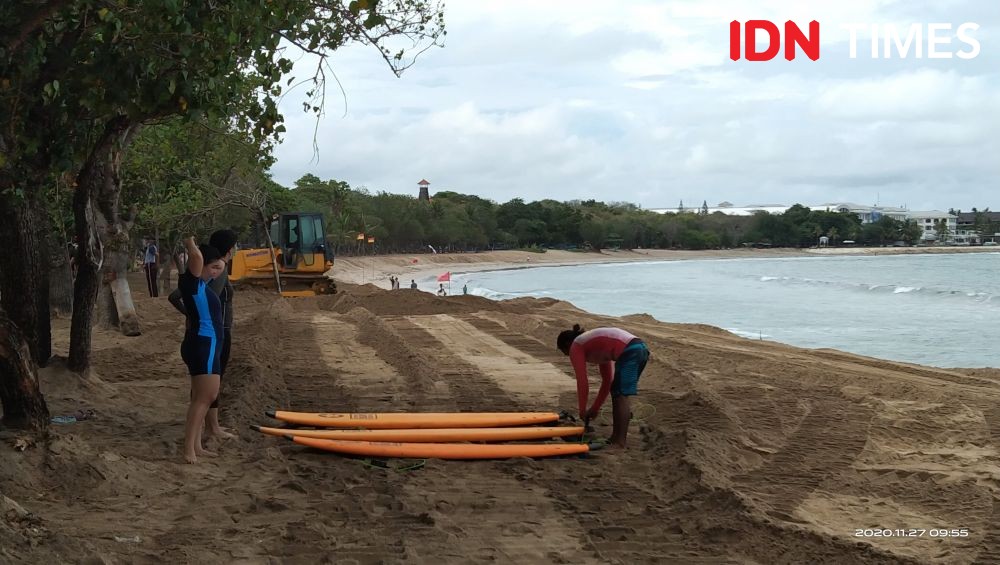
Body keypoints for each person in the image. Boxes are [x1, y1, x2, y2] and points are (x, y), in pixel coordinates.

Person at [169, 230, 238, 444]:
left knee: (206, 388)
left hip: (207, 334)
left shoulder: (204, 276)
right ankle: (210, 429)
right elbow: (200, 298)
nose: (215, 272)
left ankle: (205, 433)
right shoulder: (215, 274)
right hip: (211, 335)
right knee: (208, 389)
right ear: (229, 249)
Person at [556, 324, 650, 449]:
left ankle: (620, 441)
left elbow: (582, 381)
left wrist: (582, 410)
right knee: (617, 392)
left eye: (564, 352)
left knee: (620, 394)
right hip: (640, 349)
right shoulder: (596, 346)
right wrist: (594, 408)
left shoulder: (576, 346)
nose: (567, 356)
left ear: (567, 344)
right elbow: (608, 381)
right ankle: (616, 438)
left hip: (631, 351)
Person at [176, 236, 227, 463]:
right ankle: (188, 450)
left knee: (203, 397)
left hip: (208, 344)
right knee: (205, 397)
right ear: (201, 265)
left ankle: (196, 446)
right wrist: (189, 241)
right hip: (203, 344)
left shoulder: (201, 286)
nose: (216, 272)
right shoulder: (192, 283)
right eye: (213, 267)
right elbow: (196, 256)